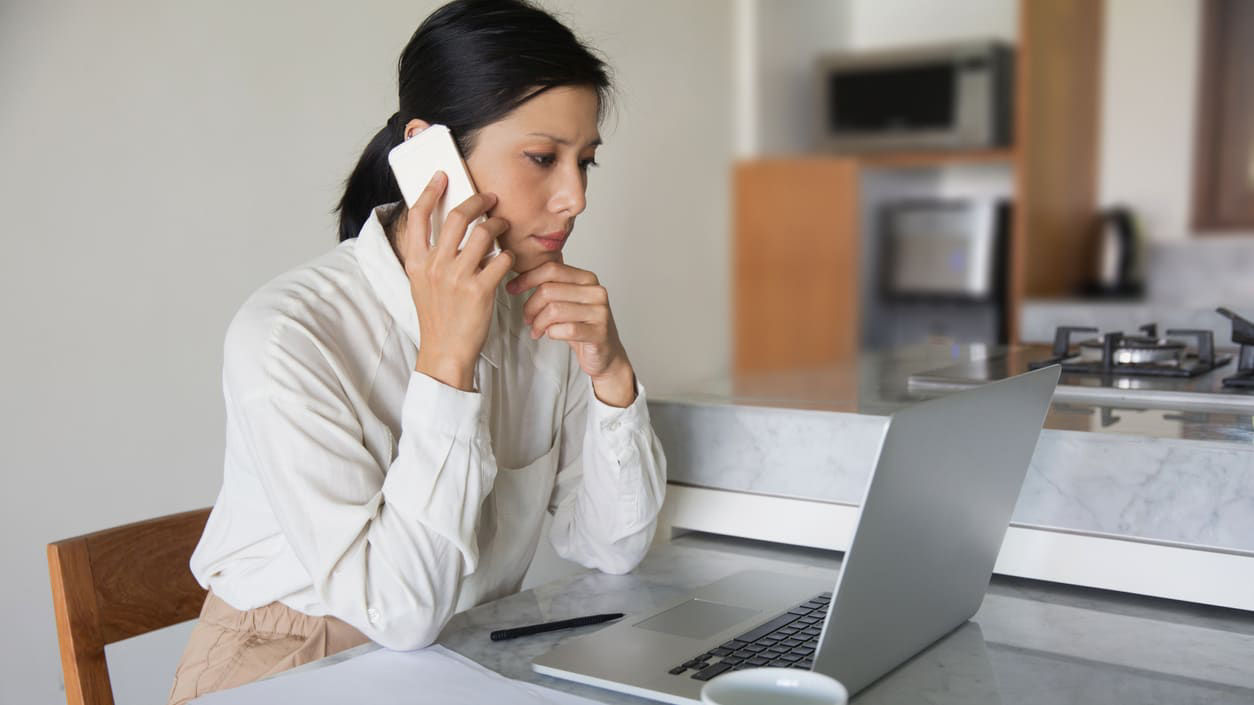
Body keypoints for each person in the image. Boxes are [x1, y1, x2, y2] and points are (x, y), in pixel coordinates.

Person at [167, 2, 666, 702]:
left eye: (585, 162)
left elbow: (611, 546)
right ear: (431, 155)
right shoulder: (287, 335)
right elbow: (396, 610)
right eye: (542, 158)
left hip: (454, 657)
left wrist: (612, 372)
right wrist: (447, 367)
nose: (574, 197)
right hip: (292, 664)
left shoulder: (536, 311)